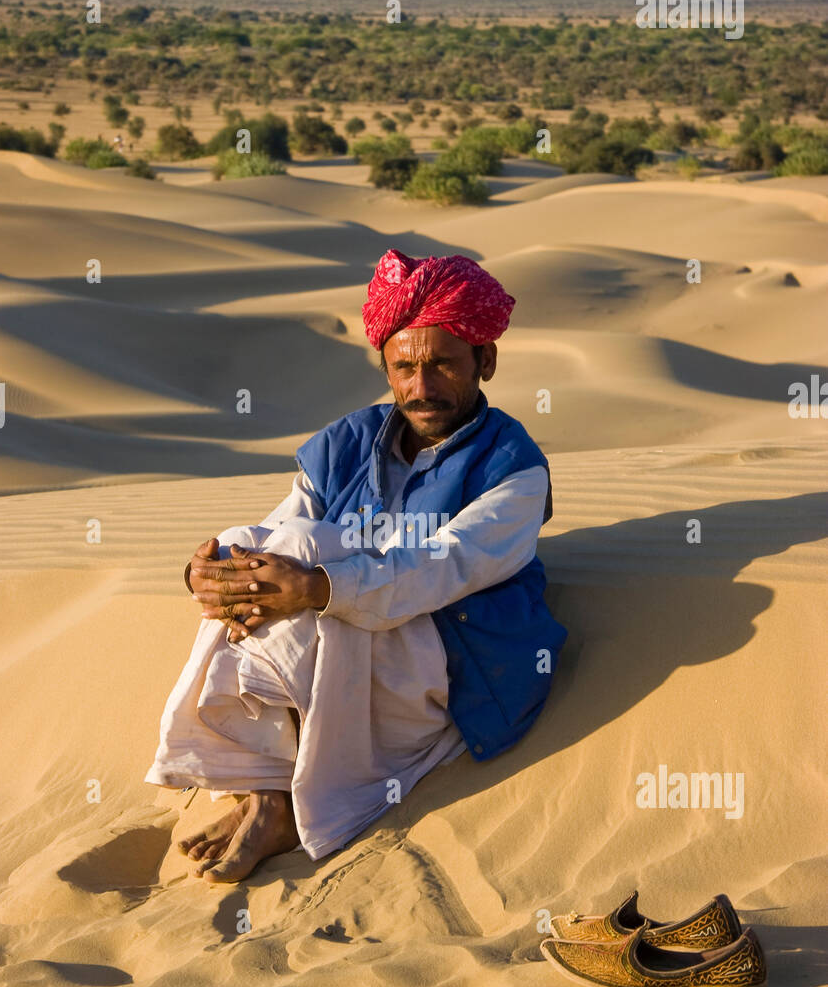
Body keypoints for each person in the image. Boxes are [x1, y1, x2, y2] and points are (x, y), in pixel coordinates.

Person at [145, 249, 567, 883]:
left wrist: (318, 588)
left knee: (319, 574)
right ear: (386, 369)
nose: (421, 388)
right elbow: (278, 531)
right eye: (404, 368)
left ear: (487, 362)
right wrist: (211, 577)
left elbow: (443, 569)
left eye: (444, 365)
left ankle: (293, 797)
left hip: (453, 662)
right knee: (248, 542)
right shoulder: (347, 443)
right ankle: (271, 788)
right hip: (340, 655)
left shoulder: (513, 469)